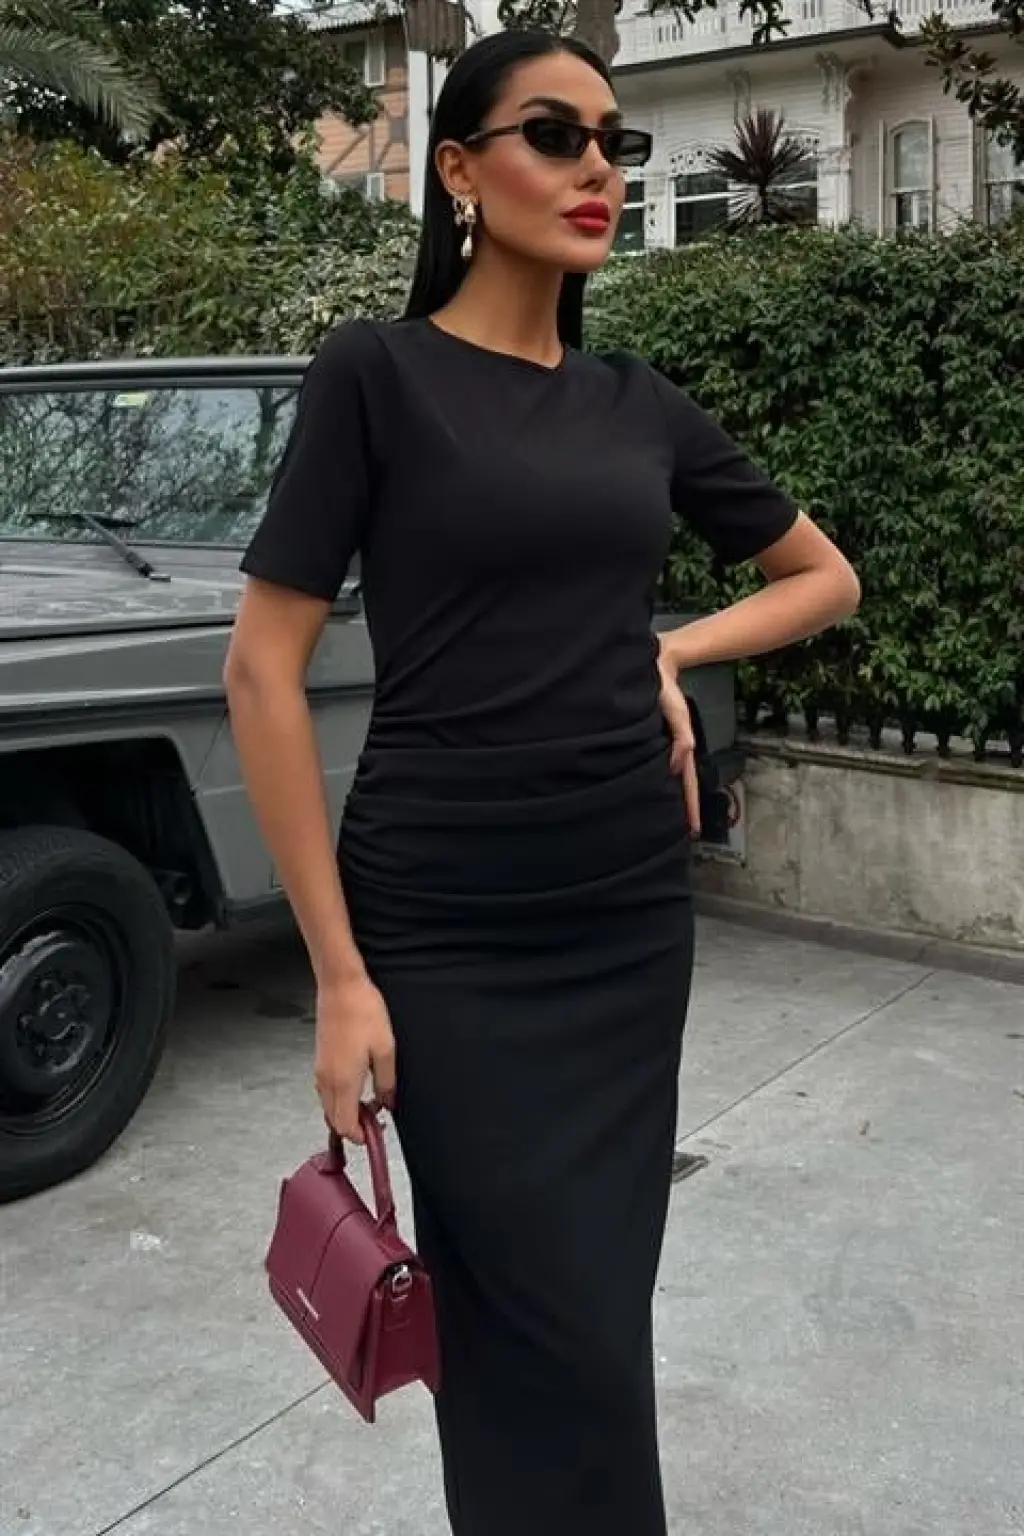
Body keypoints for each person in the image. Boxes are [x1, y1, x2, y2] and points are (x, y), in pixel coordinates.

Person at [223, 27, 860, 1536]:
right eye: (556, 135)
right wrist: (338, 978)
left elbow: (822, 577)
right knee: (527, 1330)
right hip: (446, 933)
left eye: (614, 143)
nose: (598, 170)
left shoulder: (637, 403)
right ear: (458, 169)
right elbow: (259, 672)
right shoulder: (377, 377)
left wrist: (665, 645)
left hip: (624, 927)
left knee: (596, 1320)